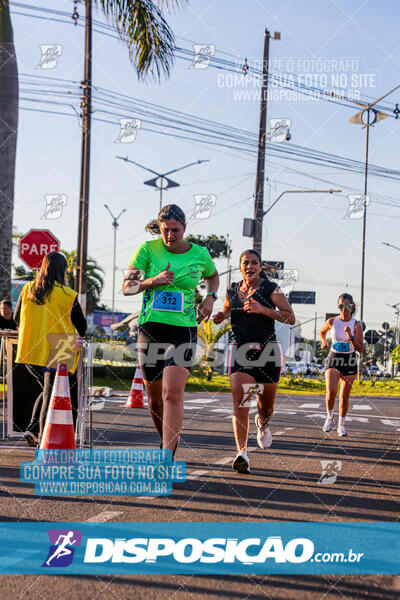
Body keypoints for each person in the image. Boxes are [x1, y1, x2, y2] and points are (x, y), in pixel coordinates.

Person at [122, 204, 219, 455]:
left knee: (172, 393)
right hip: (151, 328)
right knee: (155, 400)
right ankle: (168, 440)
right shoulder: (147, 250)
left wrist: (211, 297)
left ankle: (167, 455)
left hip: (183, 330)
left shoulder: (199, 253)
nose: (170, 235)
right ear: (160, 228)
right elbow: (127, 288)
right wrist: (153, 281)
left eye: (175, 230)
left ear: (184, 229)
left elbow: (213, 276)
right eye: (165, 230)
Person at [213, 249, 295, 474]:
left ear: (260, 266)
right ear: (240, 266)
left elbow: (290, 316)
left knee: (266, 407)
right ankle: (242, 453)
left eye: (254, 263)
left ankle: (263, 422)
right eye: (246, 263)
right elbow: (229, 310)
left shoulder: (270, 289)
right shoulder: (232, 289)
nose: (250, 266)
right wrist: (223, 316)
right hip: (241, 350)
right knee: (242, 399)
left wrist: (263, 310)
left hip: (267, 351)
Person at [14, 252, 87, 447]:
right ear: (63, 270)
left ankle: (33, 428)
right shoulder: (68, 295)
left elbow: (15, 318)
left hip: (30, 350)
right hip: (59, 349)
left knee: (47, 391)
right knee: (51, 393)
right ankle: (42, 440)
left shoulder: (28, 289)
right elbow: (82, 326)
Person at [319, 293, 363, 437]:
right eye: (341, 305)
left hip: (349, 360)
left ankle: (341, 425)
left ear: (352, 306)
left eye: (347, 305)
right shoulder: (332, 321)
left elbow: (360, 348)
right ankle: (329, 418)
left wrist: (350, 336)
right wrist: (324, 342)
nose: (344, 308)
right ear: (338, 307)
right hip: (333, 358)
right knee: (331, 391)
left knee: (344, 397)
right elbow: (322, 332)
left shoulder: (356, 325)